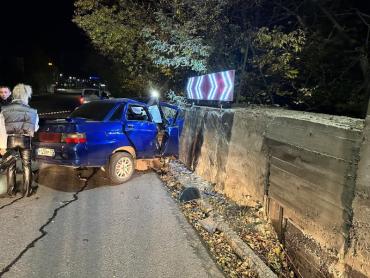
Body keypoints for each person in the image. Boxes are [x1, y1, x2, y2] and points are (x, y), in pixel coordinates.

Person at [0, 84, 39, 197]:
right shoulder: (33, 111)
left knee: (11, 165)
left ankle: (11, 191)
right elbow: (35, 128)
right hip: (25, 139)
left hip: (10, 139)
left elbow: (1, 128)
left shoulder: (4, 109)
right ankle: (27, 191)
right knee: (26, 165)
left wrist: (2, 146)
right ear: (26, 96)